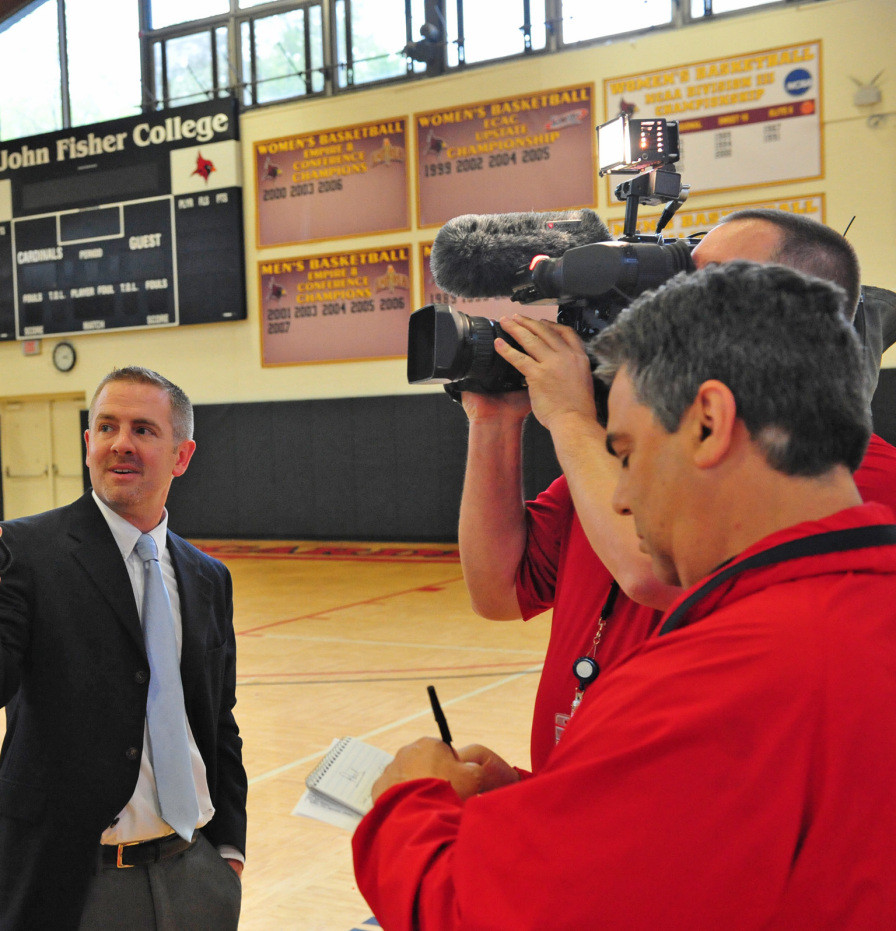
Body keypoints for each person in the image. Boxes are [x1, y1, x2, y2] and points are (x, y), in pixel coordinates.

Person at [353, 261, 896, 928]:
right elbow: (707, 853)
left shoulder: (723, 678)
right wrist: (546, 803)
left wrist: (409, 803)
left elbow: (483, 913)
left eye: (629, 453)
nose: (616, 493)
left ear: (708, 422)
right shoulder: (857, 608)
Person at [456, 206, 896, 771]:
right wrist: (495, 420)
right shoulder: (634, 461)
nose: (671, 301)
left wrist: (569, 418)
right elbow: (498, 592)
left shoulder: (851, 473)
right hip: (594, 801)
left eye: (709, 283)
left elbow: (647, 573)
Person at [0, 365, 247, 930]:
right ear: (87, 444)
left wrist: (228, 852)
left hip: (194, 876)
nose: (121, 444)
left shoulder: (207, 577)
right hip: (69, 885)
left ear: (182, 455)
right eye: (107, 427)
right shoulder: (24, 550)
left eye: (144, 430)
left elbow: (218, 722)